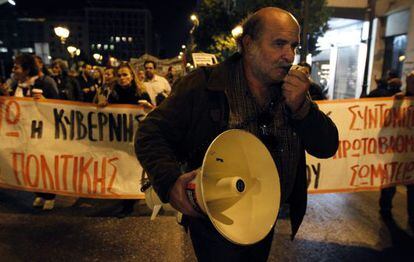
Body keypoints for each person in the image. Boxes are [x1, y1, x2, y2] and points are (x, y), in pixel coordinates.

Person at [135, 7, 338, 261]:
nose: (289, 56)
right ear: (248, 44)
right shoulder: (204, 85)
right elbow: (150, 133)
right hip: (216, 221)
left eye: (294, 46)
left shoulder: (293, 91)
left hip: (263, 219)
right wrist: (169, 181)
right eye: (279, 44)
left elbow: (327, 146)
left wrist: (303, 109)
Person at [373, 70, 414, 229]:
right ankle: (385, 208)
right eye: (411, 81)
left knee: (412, 186)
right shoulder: (398, 99)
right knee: (390, 182)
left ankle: (412, 217)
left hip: (411, 153)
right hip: (396, 151)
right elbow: (387, 124)